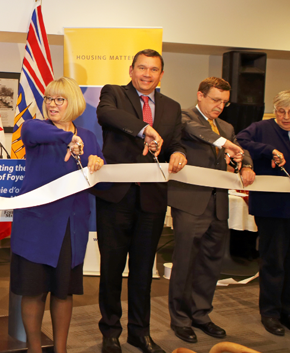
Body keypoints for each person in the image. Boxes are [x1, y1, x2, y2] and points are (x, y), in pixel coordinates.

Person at [91, 49, 187, 353]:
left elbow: (175, 143)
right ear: (131, 70)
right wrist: (144, 129)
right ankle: (110, 332)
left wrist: (179, 154)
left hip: (152, 200)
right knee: (111, 269)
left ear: (161, 74)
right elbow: (106, 115)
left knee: (144, 270)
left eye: (154, 69)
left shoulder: (172, 107)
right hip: (116, 197)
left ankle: (139, 332)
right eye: (142, 68)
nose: (147, 74)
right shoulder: (114, 95)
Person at [10, 77, 104, 353]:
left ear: (72, 102)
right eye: (49, 99)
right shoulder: (35, 128)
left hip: (71, 227)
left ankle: (60, 349)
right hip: (36, 225)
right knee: (34, 290)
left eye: (59, 99)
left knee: (64, 291)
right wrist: (68, 138)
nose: (52, 104)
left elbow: (100, 171)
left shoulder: (87, 137)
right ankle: (35, 349)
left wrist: (98, 162)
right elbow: (36, 133)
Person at [167, 77, 255, 344]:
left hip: (218, 205)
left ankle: (201, 314)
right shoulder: (183, 116)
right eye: (215, 100)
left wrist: (247, 165)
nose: (219, 106)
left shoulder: (226, 126)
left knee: (210, 264)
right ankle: (180, 319)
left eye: (224, 102)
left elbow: (241, 149)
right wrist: (223, 143)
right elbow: (197, 133)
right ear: (200, 95)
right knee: (184, 264)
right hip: (190, 204)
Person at [236, 90, 290, 337]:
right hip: (273, 209)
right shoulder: (260, 128)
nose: (286, 116)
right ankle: (270, 314)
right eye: (281, 111)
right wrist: (267, 150)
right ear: (274, 110)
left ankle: (289, 312)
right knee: (273, 262)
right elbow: (239, 142)